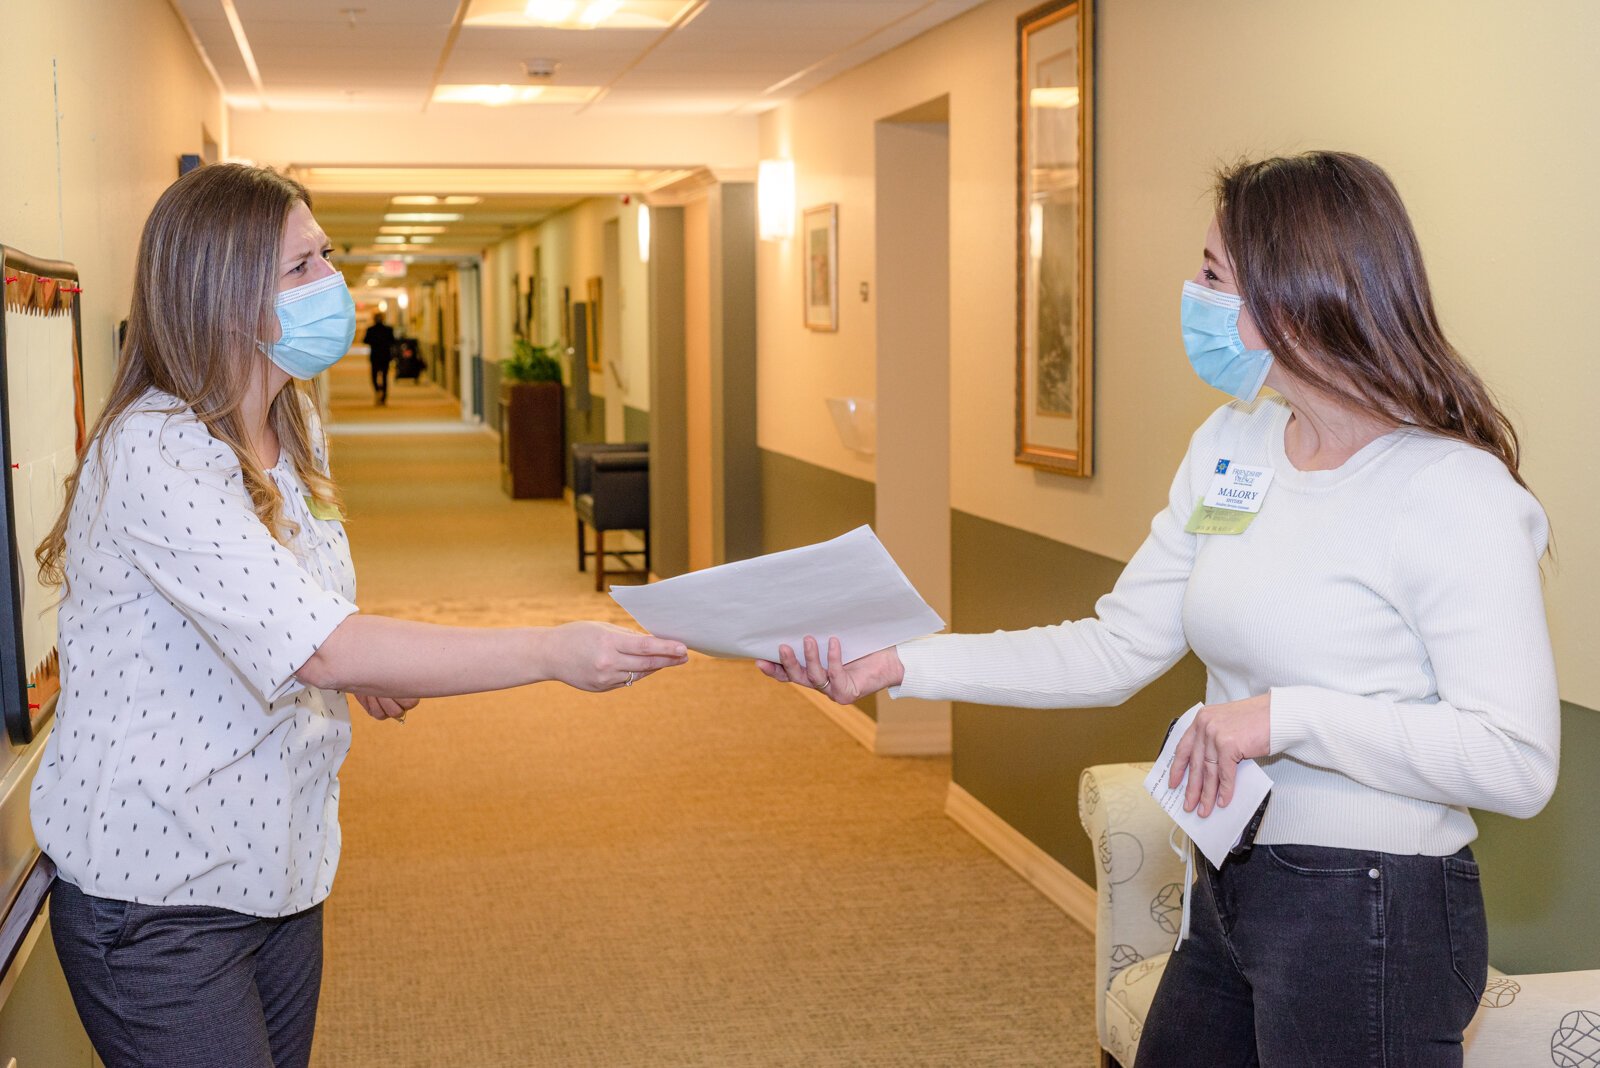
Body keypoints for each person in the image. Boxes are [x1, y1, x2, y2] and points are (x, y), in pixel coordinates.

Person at [759, 151, 1558, 1066]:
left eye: (1213, 274)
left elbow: (1517, 761)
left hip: (1372, 907)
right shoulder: (1235, 443)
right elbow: (1114, 646)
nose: (1192, 293)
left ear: (1292, 298)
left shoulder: (1452, 491)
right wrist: (900, 662)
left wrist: (1282, 720)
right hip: (1229, 874)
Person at [30, 163, 688, 1068]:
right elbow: (324, 648)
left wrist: (377, 660)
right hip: (163, 897)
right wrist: (550, 648)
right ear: (224, 293)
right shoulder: (159, 450)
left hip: (281, 867)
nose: (332, 284)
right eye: (303, 267)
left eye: (326, 257)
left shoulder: (290, 426)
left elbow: (313, 613)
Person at [362, 309, 396, 404]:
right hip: (385, 356)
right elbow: (393, 341)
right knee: (385, 376)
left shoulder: (371, 329)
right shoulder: (388, 330)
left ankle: (378, 390)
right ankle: (384, 397)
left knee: (373, 376)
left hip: (375, 356)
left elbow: (365, 340)